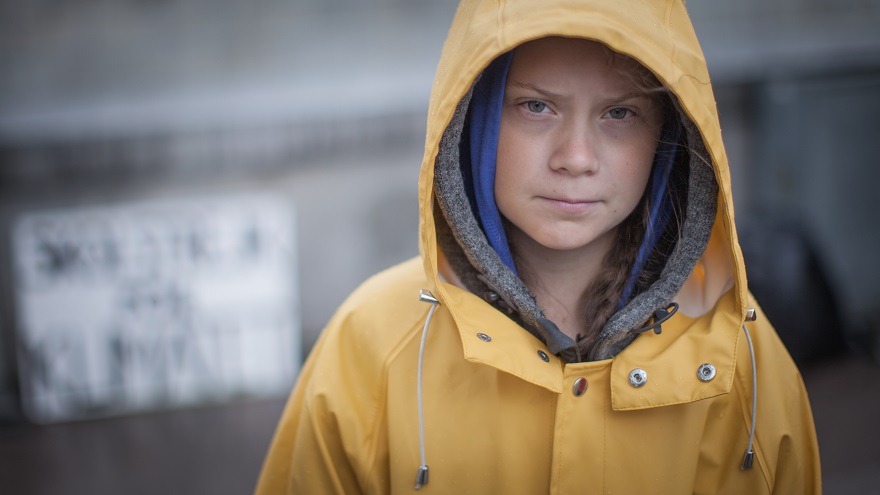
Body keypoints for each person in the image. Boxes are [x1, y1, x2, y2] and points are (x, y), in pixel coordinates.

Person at [255, 0, 821, 493]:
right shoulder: (374, 343)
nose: (575, 157)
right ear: (473, 118)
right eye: (536, 106)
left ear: (667, 138)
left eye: (619, 114)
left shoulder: (736, 356)